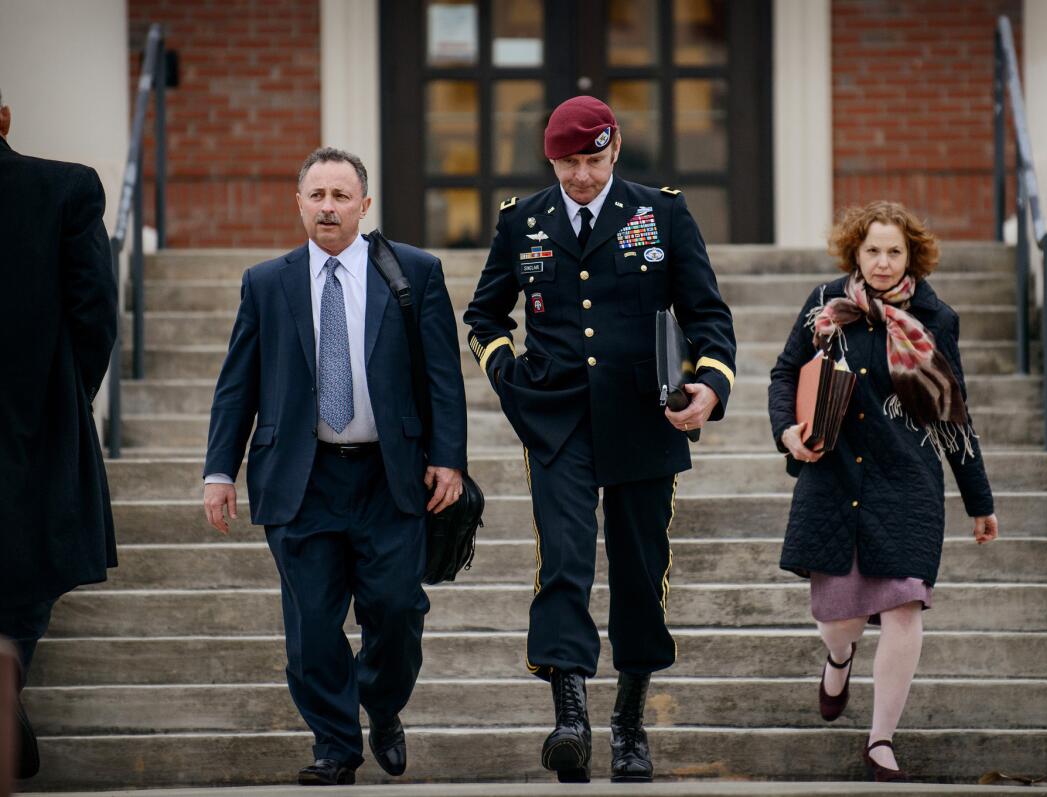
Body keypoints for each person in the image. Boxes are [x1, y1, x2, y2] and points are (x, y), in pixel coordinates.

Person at [464, 96, 736, 783]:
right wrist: (507, 373)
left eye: (592, 160)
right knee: (562, 560)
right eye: (567, 163)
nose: (581, 175)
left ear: (614, 151)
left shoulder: (662, 212)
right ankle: (570, 714)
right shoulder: (522, 220)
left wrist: (710, 386)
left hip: (645, 416)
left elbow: (707, 313)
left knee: (641, 571)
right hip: (556, 417)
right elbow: (484, 314)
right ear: (548, 158)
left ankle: (629, 723)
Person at [202, 147, 467, 786]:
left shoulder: (415, 272)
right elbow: (238, 384)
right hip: (301, 478)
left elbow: (442, 376)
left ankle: (381, 705)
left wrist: (449, 460)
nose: (328, 207)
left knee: (398, 609)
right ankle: (335, 745)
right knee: (314, 627)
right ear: (299, 203)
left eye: (341, 196)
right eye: (316, 195)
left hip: (389, 476)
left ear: (364, 206)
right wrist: (219, 471)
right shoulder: (267, 283)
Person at [767, 201, 999, 782]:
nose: (883, 262)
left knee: (902, 605)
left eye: (895, 251)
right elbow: (783, 374)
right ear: (856, 252)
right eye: (872, 250)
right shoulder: (825, 306)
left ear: (911, 255)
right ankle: (840, 657)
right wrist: (787, 433)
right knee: (839, 617)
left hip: (908, 484)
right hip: (834, 476)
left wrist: (979, 501)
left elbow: (952, 413)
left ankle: (880, 741)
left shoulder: (935, 318)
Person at [0, 88, 119, 782]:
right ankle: (6, 688)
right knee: (24, 577)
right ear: (6, 119)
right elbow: (95, 314)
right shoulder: (66, 189)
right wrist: (67, 397)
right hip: (33, 421)